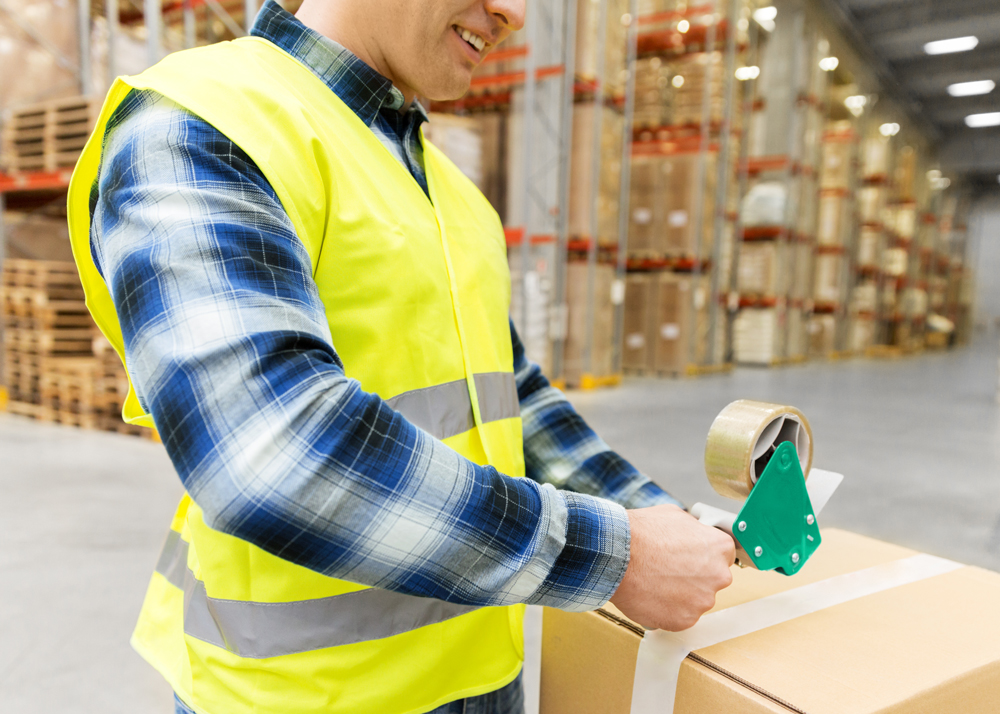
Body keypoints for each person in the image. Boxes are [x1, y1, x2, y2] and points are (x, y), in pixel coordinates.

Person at [66, 1, 735, 712]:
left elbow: (514, 396)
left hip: (479, 680)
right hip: (300, 698)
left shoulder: (453, 194)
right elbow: (274, 455)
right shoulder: (206, 122)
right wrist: (615, 555)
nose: (512, 13)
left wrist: (659, 522)